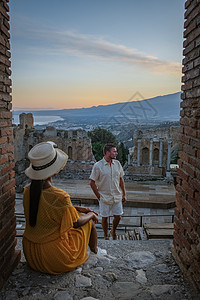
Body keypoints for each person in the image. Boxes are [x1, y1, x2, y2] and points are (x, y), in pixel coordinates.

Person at [22, 141, 98, 275]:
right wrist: (92, 215)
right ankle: (95, 251)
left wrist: (75, 208)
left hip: (32, 254)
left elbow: (45, 208)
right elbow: (76, 223)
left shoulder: (27, 191)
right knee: (89, 223)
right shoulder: (60, 197)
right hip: (55, 258)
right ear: (55, 172)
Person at [90, 143, 126, 240]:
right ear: (107, 152)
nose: (116, 153)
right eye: (114, 151)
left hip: (117, 195)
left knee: (118, 216)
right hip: (104, 196)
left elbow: (121, 179)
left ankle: (113, 231)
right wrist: (98, 196)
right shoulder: (98, 166)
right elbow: (92, 182)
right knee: (104, 218)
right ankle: (106, 235)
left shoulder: (117, 164)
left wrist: (124, 194)